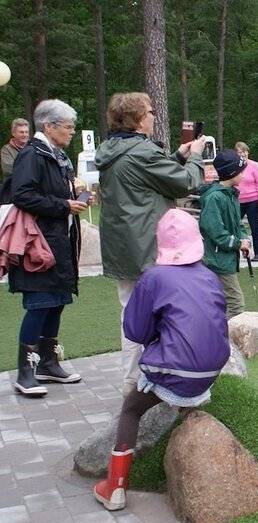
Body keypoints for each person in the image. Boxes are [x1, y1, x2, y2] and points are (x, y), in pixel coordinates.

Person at [93, 209, 230, 511]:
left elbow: (135, 331)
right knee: (183, 373)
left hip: (174, 368)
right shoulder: (209, 276)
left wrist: (158, 332)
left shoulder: (153, 278)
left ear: (160, 244)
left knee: (131, 408)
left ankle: (116, 486)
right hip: (211, 369)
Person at [96, 92, 205, 394]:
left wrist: (178, 157)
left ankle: (131, 382)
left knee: (130, 313)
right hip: (149, 246)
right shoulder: (143, 151)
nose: (154, 116)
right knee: (161, 313)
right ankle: (158, 379)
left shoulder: (111, 149)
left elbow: (146, 178)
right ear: (138, 119)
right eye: (150, 111)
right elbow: (185, 183)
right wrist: (195, 156)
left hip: (122, 247)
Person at [7, 100, 86, 396]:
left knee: (56, 302)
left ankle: (48, 363)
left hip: (58, 243)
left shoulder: (57, 155)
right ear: (49, 126)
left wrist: (75, 197)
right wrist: (63, 205)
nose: (72, 132)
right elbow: (22, 195)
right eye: (68, 126)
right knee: (39, 304)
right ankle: (25, 371)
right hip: (37, 245)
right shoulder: (32, 155)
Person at [198, 149, 251, 319]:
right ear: (231, 173)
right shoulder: (215, 198)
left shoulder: (231, 194)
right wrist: (237, 243)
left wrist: (244, 239)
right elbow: (214, 231)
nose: (243, 175)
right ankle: (230, 335)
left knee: (222, 302)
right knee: (236, 303)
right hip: (217, 259)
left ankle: (220, 332)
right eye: (240, 171)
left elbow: (237, 223)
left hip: (227, 258)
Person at [234, 142, 258, 261]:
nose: (242, 154)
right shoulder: (234, 166)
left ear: (248, 152)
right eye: (239, 152)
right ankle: (236, 251)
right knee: (234, 226)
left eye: (244, 151)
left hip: (253, 200)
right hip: (238, 201)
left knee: (255, 227)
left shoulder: (254, 165)